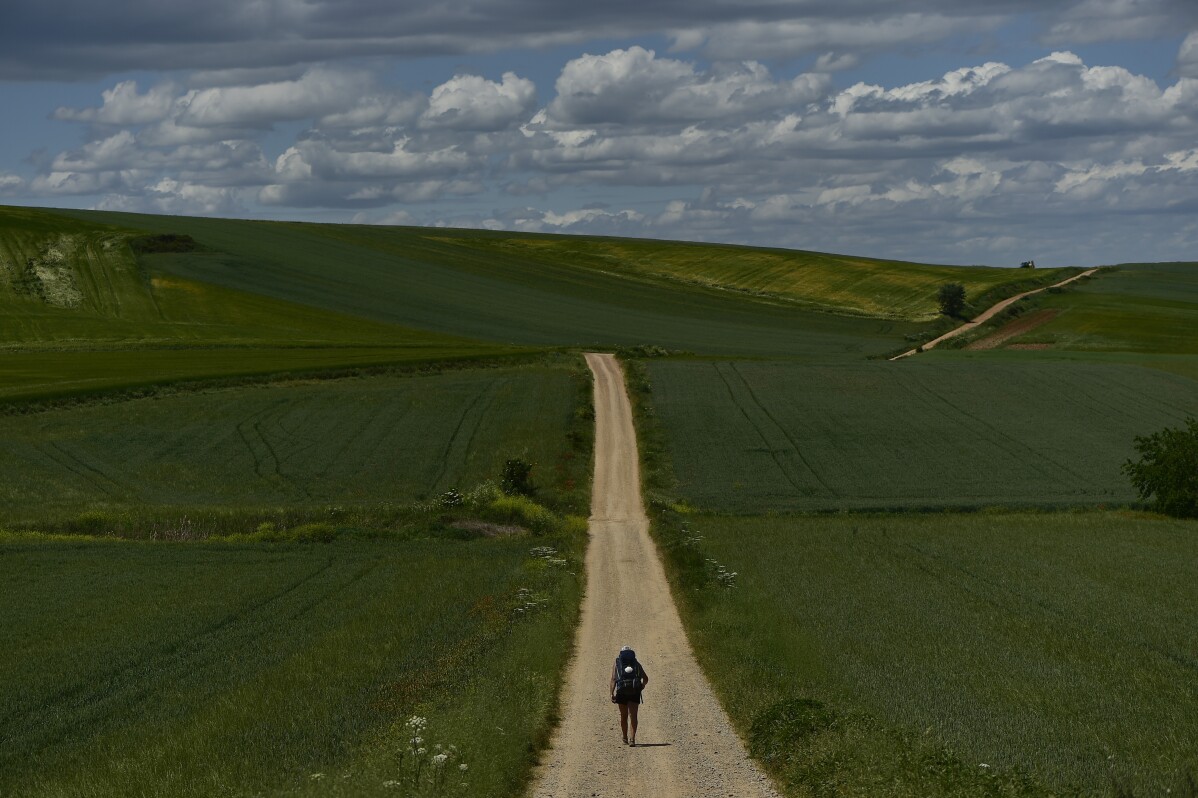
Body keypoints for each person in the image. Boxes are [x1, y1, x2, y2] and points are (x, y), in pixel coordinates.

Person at [609, 645, 649, 746]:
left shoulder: (617, 663)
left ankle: (624, 737)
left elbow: (613, 679)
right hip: (634, 691)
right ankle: (632, 739)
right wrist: (642, 686)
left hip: (621, 691)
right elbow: (646, 678)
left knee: (624, 716)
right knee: (633, 715)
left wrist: (611, 693)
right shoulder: (636, 664)